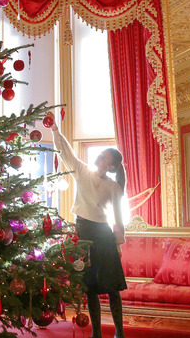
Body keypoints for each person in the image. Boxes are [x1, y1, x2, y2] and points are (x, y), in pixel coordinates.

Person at [51, 124, 127, 338]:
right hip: (82, 232)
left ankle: (119, 333)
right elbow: (66, 153)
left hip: (103, 235)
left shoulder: (113, 187)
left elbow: (118, 218)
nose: (99, 158)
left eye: (103, 157)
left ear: (111, 165)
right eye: (100, 155)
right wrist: (56, 130)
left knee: (112, 286)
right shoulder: (82, 170)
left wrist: (118, 243)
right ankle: (96, 333)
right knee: (90, 286)